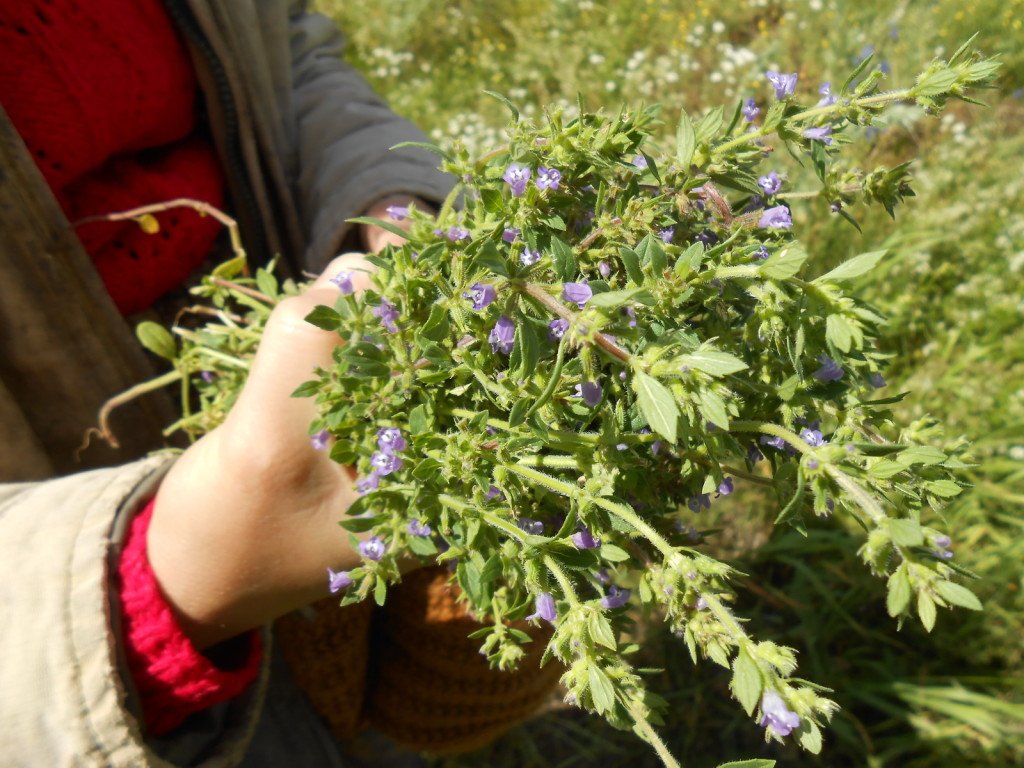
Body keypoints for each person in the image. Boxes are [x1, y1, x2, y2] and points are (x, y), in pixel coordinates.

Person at [0, 1, 560, 765]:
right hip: (104, 619)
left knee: (424, 686)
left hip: (307, 352)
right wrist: (158, 588)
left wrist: (391, 203)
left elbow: (289, 54)